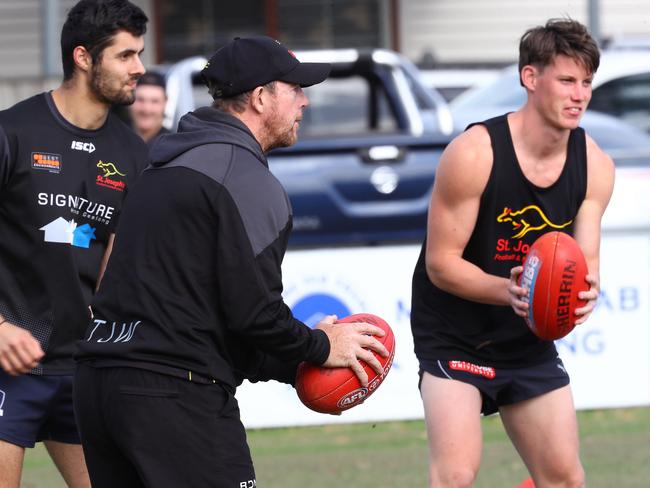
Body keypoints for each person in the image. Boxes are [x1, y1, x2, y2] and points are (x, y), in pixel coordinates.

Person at [73, 35, 389, 488]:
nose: (305, 101)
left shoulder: (161, 165)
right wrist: (320, 348)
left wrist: (294, 363)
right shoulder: (244, 178)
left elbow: (215, 315)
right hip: (173, 394)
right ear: (261, 97)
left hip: (100, 385)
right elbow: (254, 314)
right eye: (295, 89)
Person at [410, 18, 614, 487]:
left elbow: (586, 266)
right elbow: (441, 265)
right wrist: (512, 289)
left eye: (586, 82)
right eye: (566, 80)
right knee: (455, 477)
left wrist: (585, 294)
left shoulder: (595, 166)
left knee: (566, 479)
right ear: (530, 78)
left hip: (525, 340)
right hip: (454, 335)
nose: (579, 94)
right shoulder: (474, 154)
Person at [0, 1, 148, 486]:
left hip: (80, 367)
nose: (139, 69)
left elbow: (116, 260)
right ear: (84, 58)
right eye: (125, 56)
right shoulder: (12, 132)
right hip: (5, 362)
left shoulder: (131, 153)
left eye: (139, 55)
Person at [129, 70, 170, 147]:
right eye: (140, 100)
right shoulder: (114, 141)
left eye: (154, 101)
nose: (147, 109)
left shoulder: (174, 146)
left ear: (165, 102)